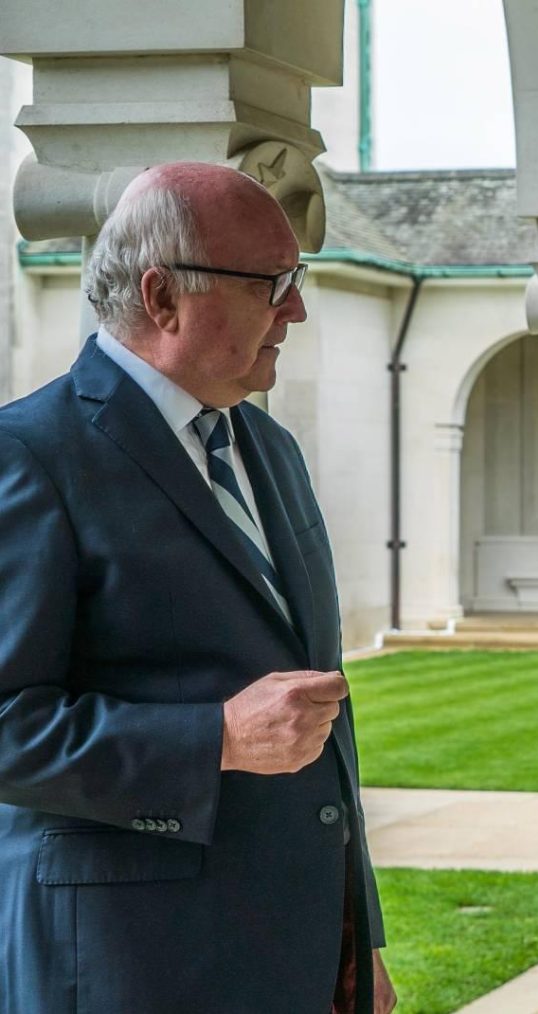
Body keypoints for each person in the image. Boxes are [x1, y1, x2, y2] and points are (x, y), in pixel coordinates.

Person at [0, 163, 395, 1013]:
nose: (295, 308)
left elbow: (321, 709)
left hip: (294, 953)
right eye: (272, 284)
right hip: (129, 965)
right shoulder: (30, 456)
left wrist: (356, 932)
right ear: (162, 296)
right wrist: (212, 737)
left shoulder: (269, 448)